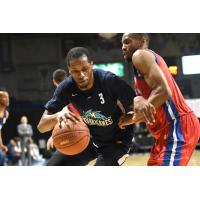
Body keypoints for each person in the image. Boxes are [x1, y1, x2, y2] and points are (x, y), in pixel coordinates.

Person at [37, 47, 138, 166]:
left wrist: (131, 118)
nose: (81, 75)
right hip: (88, 138)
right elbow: (41, 126)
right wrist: (57, 116)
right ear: (69, 70)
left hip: (117, 142)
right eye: (75, 71)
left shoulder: (109, 80)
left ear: (91, 65)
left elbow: (139, 108)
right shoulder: (66, 87)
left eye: (85, 69)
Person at [120, 33, 200, 166]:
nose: (123, 47)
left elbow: (163, 91)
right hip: (165, 133)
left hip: (177, 125)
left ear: (142, 41)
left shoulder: (140, 55)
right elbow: (150, 109)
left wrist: (135, 114)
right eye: (122, 43)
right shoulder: (145, 63)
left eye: (127, 42)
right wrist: (126, 120)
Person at [0, 88, 9, 153]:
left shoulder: (6, 114)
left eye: (8, 97)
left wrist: (1, 145)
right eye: (5, 97)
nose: (7, 99)